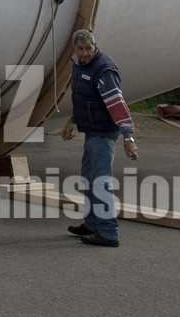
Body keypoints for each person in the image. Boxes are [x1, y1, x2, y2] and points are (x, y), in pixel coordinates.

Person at [59, 29, 138, 247]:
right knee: (88, 179)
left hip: (104, 133)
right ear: (74, 48)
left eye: (88, 48)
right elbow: (83, 98)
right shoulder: (80, 65)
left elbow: (117, 104)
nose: (85, 53)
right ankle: (92, 224)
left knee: (101, 182)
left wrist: (128, 137)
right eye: (81, 49)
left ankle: (109, 232)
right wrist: (72, 121)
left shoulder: (103, 69)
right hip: (91, 131)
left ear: (95, 46)